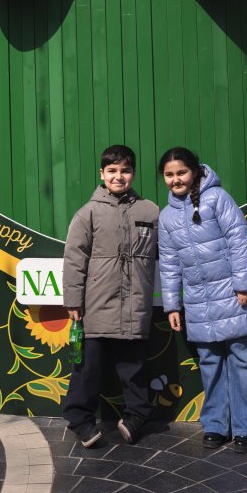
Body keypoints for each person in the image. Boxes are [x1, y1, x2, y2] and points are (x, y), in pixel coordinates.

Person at [158, 146, 247, 453]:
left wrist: (243, 284)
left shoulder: (217, 199)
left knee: (243, 359)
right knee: (210, 363)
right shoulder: (167, 216)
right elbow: (169, 263)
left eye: (181, 172)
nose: (176, 180)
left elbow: (240, 241)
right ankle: (215, 425)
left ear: (195, 171)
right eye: (169, 175)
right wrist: (172, 304)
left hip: (235, 297)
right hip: (199, 303)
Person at [62, 144, 159, 448]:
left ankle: (136, 417)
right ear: (101, 174)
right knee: (88, 370)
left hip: (135, 309)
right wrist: (73, 301)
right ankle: (80, 420)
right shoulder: (88, 213)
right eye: (112, 170)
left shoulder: (150, 211)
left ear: (133, 173)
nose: (119, 176)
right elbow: (74, 259)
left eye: (125, 170)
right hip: (96, 309)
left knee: (134, 369)